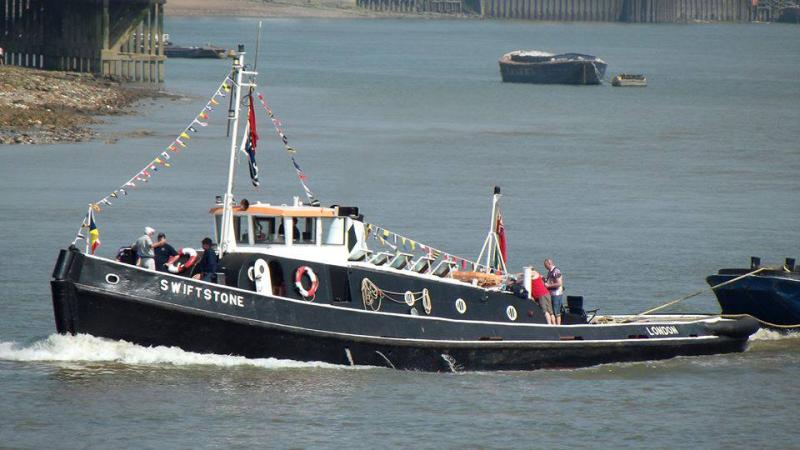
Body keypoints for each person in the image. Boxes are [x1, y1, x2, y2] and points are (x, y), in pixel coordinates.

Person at [544, 258, 564, 325]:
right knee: (552, 311)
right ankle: (554, 325)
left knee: (557, 312)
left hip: (557, 294)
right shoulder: (550, 271)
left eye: (546, 265)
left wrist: (548, 286)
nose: (545, 267)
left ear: (549, 264)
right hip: (551, 294)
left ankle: (558, 326)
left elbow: (559, 283)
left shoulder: (556, 271)